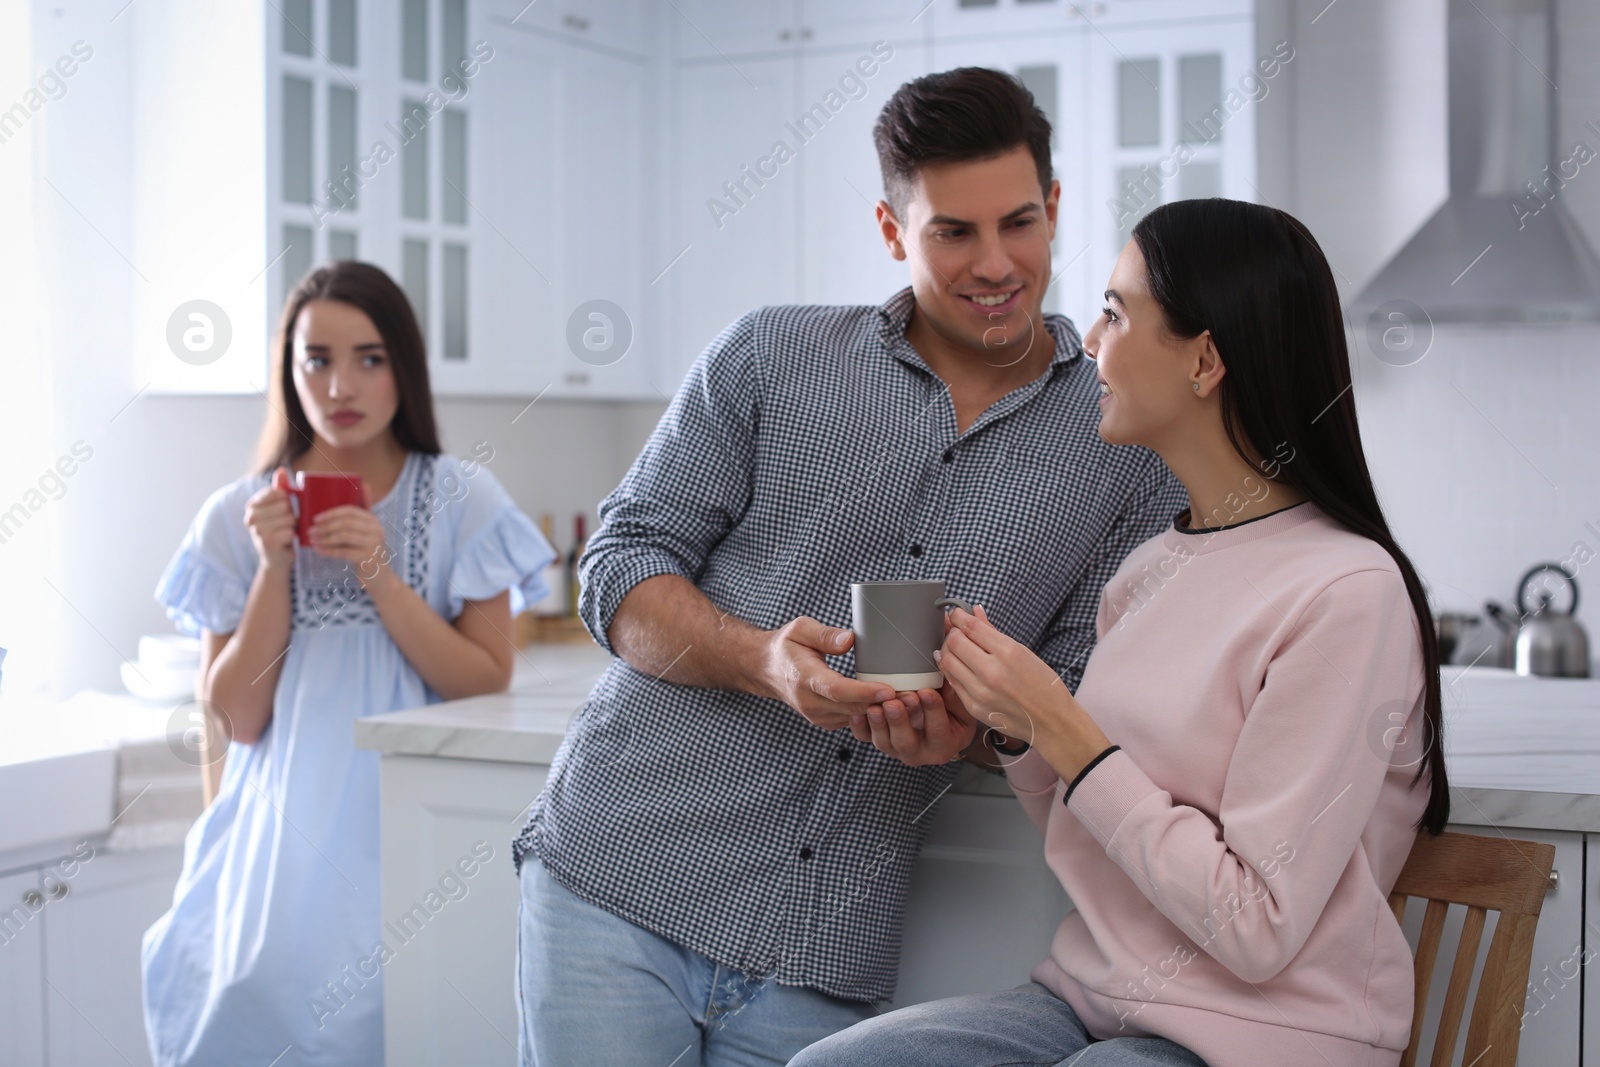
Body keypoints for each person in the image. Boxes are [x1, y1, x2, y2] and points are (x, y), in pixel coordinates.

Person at [512, 68, 1188, 1065]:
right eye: (952, 232)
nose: (995, 262)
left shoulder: (1123, 449)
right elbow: (617, 566)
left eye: (1017, 222)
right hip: (621, 876)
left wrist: (971, 731)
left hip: (824, 947)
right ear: (890, 229)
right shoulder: (768, 356)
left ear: (1053, 208)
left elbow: (1073, 700)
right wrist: (760, 659)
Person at [792, 198, 1452, 1067]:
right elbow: (1096, 826)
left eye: (1115, 311)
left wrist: (1066, 730)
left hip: (1265, 1037)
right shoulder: (1148, 570)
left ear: (1205, 359)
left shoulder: (1345, 593)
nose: (1091, 344)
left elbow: (1257, 928)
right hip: (1096, 1001)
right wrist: (1016, 725)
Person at [141, 261, 555, 1067]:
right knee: (243, 1009)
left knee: (399, 1019)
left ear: (404, 365)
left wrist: (379, 575)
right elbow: (233, 717)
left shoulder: (463, 497)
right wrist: (274, 570)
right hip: (274, 843)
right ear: (288, 371)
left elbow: (482, 677)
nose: (341, 383)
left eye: (370, 356)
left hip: (414, 817)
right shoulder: (236, 514)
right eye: (317, 358)